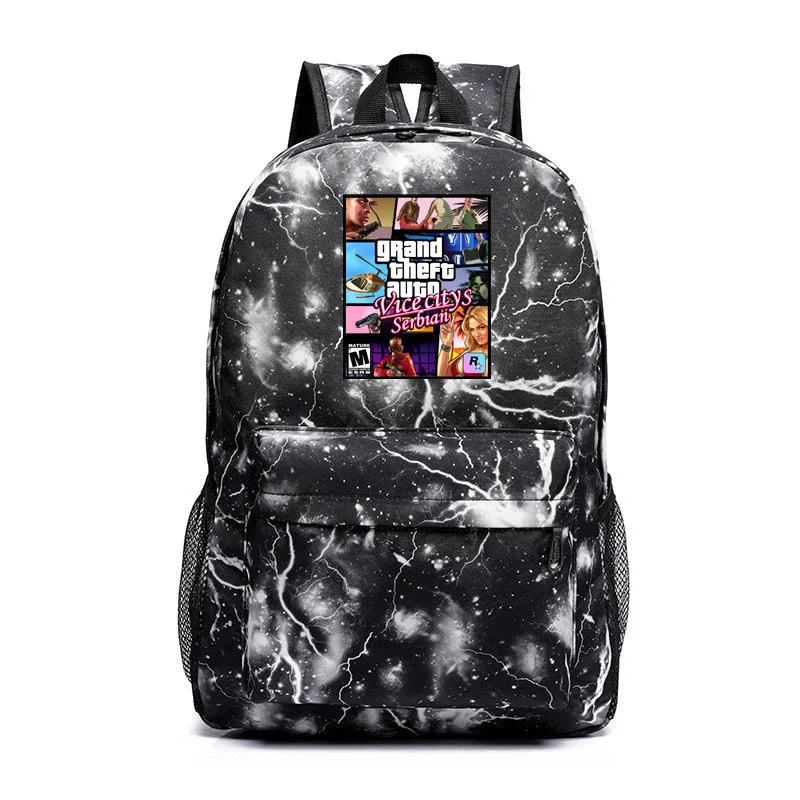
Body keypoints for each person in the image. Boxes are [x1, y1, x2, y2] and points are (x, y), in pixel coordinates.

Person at [437, 305, 489, 377]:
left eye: (481, 327)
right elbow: (443, 375)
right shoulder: (470, 351)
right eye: (472, 329)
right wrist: (446, 344)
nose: (476, 334)